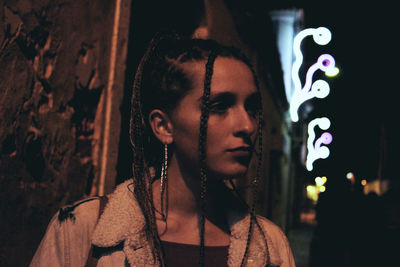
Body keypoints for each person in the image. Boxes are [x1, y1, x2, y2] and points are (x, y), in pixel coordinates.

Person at [30, 33, 295, 267]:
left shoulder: (270, 247)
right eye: (219, 106)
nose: (247, 125)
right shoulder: (83, 230)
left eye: (251, 108)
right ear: (164, 127)